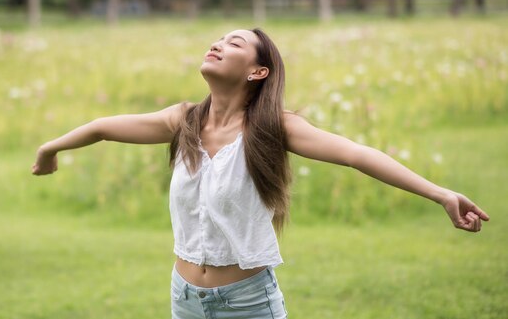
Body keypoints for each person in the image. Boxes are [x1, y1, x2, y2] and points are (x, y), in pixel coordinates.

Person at [32, 28, 489, 319]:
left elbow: (356, 153)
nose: (217, 44)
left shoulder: (274, 128)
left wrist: (440, 194)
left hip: (248, 303)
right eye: (217, 39)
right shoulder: (184, 119)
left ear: (257, 71)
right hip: (185, 299)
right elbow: (101, 128)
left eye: (234, 44)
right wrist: (51, 148)